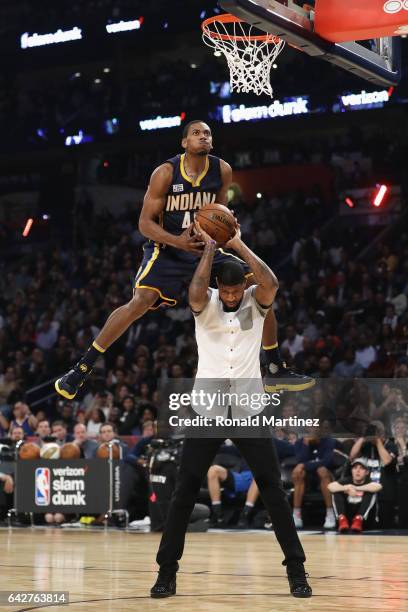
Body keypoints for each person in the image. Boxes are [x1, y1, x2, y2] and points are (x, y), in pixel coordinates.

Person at [55, 120, 313, 400]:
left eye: (207, 134)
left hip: (205, 246)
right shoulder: (165, 172)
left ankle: (274, 367)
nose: (203, 137)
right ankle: (81, 369)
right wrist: (178, 241)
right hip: (167, 247)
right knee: (140, 301)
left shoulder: (222, 170)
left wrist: (224, 228)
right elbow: (144, 223)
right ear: (184, 143)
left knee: (260, 284)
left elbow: (218, 212)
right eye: (196, 133)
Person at [150, 227, 312, 598]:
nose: (233, 296)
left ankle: (297, 571)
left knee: (273, 488)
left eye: (238, 291)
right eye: (227, 291)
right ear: (218, 287)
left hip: (248, 409)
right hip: (208, 410)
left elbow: (270, 282)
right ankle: (166, 572)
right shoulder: (203, 301)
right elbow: (195, 289)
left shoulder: (257, 299)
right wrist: (209, 247)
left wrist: (236, 242)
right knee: (185, 490)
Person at [291, 427, 337, 529]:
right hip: (307, 478)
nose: (314, 429)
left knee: (322, 470)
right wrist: (306, 445)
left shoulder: (328, 441)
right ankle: (296, 514)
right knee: (298, 473)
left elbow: (327, 462)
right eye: (311, 425)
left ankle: (330, 513)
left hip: (326, 477)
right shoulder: (300, 443)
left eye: (316, 425)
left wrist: (304, 465)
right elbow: (300, 460)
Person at [328, 458, 382, 533]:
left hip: (364, 522)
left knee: (371, 492)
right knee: (336, 491)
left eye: (361, 468)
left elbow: (378, 487)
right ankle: (342, 519)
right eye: (355, 468)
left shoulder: (368, 481)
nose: (358, 471)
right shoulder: (347, 480)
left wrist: (355, 488)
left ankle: (359, 519)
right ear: (351, 471)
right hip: (347, 521)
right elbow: (330, 486)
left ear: (366, 472)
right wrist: (346, 488)